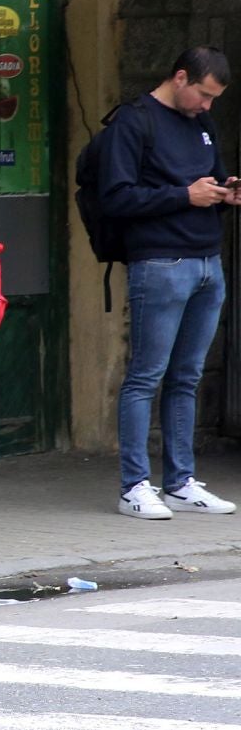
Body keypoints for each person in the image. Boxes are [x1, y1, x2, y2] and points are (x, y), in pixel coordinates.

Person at [99, 47, 240, 519]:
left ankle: (180, 482)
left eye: (214, 98)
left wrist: (225, 192)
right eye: (203, 94)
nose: (207, 105)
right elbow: (115, 197)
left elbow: (209, 185)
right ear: (180, 77)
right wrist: (185, 195)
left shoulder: (201, 123)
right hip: (159, 263)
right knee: (146, 376)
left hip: (206, 262)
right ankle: (134, 485)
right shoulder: (134, 121)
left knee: (187, 377)